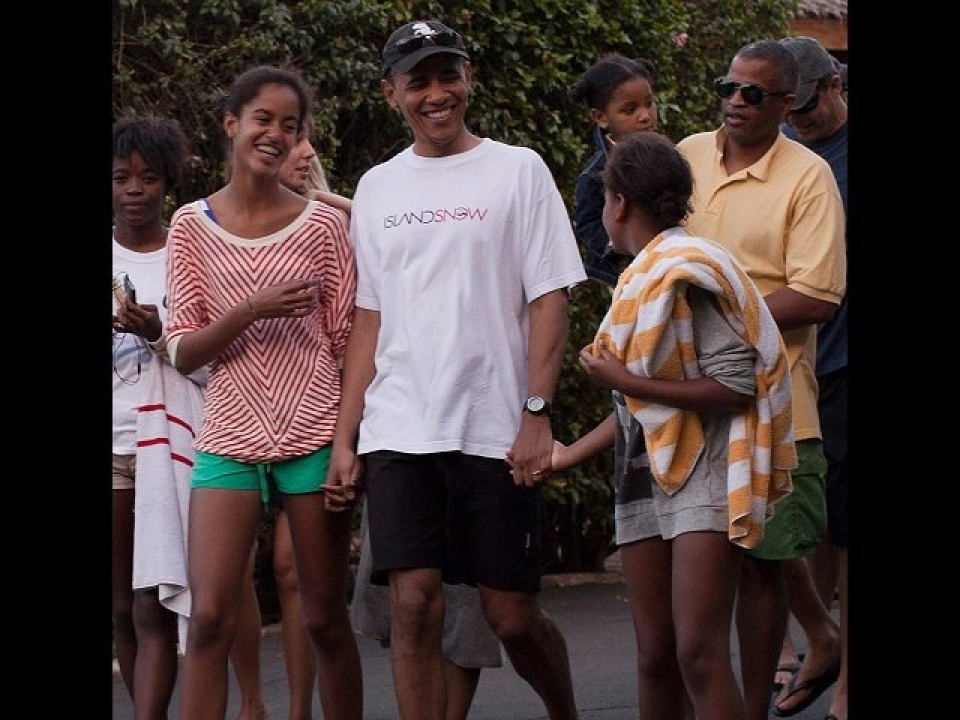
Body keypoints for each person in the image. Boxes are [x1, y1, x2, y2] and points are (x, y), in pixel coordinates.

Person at [323, 18, 585, 720]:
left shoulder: (518, 169)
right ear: (391, 95)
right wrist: (347, 439)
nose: (437, 94)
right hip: (401, 424)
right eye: (419, 82)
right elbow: (369, 319)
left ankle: (565, 711)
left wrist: (537, 413)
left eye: (449, 77)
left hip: (493, 425)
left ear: (468, 80)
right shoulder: (377, 187)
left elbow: (550, 297)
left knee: (511, 615)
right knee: (412, 604)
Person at [552, 131, 796, 720]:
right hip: (646, 475)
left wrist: (624, 381)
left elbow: (735, 386)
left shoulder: (685, 271)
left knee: (698, 653)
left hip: (704, 475)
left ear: (617, 203)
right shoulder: (643, 277)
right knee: (655, 654)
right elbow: (639, 411)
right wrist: (567, 456)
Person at [164, 65, 362, 720]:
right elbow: (184, 347)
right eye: (263, 120)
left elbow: (346, 343)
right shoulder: (191, 225)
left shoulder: (324, 227)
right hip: (228, 437)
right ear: (231, 124)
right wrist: (250, 308)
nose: (276, 135)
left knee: (327, 621)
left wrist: (346, 446)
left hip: (312, 434)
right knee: (211, 618)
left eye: (290, 125)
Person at [675, 39, 846, 720]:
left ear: (785, 103)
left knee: (759, 560)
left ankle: (752, 706)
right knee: (704, 576)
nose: (736, 102)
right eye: (728, 86)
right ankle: (817, 640)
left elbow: (817, 296)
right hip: (684, 405)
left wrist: (712, 314)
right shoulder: (687, 156)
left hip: (776, 406)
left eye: (754, 93)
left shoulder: (808, 177)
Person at [112, 115, 269, 720]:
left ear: (168, 183)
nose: (134, 189)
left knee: (204, 592)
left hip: (189, 441)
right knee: (130, 606)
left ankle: (251, 701)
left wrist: (158, 332)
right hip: (117, 446)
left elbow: (217, 353)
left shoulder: (192, 244)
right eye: (121, 177)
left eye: (148, 178)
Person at [774, 35, 849, 720]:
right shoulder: (781, 158)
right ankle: (816, 641)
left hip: (845, 355)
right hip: (795, 366)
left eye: (807, 107)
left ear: (834, 85)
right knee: (808, 518)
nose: (799, 120)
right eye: (786, 110)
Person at [568, 52, 658, 287]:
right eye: (630, 110)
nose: (645, 116)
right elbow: (587, 224)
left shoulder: (666, 156)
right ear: (601, 117)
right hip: (621, 277)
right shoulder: (596, 175)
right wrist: (618, 247)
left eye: (649, 104)